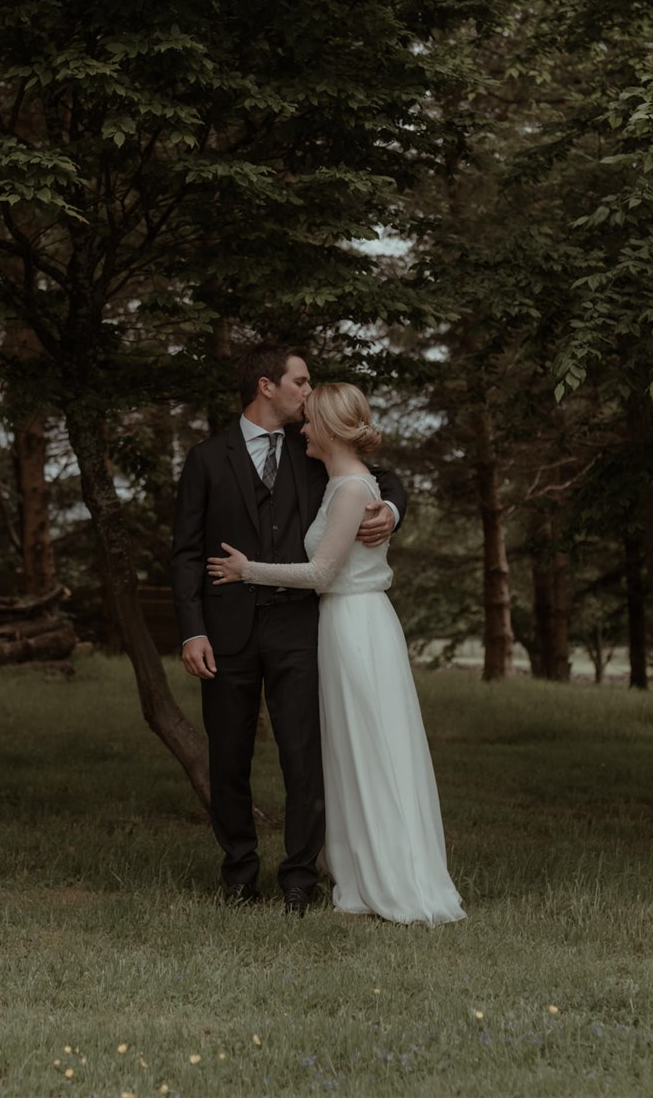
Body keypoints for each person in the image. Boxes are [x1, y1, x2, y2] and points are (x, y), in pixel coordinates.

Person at [208, 382, 464, 926]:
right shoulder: (338, 482)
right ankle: (359, 869)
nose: (302, 428)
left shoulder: (350, 488)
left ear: (325, 428)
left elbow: (322, 572)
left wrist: (246, 569)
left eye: (310, 421)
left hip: (357, 625)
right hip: (341, 623)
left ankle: (392, 876)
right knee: (350, 752)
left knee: (372, 748)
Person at [171, 346, 406, 915]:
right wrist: (191, 631)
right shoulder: (206, 459)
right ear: (265, 386)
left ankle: (300, 876)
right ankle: (239, 873)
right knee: (229, 756)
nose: (309, 391)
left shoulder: (312, 449)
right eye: (300, 381)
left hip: (301, 627)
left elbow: (383, 477)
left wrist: (392, 509)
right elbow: (183, 553)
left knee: (305, 756)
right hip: (225, 632)